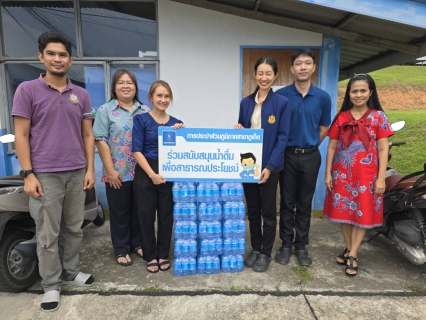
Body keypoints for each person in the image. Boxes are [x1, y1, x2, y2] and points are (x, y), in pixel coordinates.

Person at [12, 31, 95, 312]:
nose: (57, 59)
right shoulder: (27, 90)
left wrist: (89, 169)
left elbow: (87, 135)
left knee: (74, 228)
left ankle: (70, 272)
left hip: (76, 171)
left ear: (70, 60)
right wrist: (28, 173)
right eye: (51, 54)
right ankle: (51, 284)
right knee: (48, 234)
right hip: (45, 174)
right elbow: (21, 135)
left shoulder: (80, 94)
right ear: (41, 57)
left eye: (62, 55)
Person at [323, 73, 394, 276]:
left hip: (367, 176)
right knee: (345, 213)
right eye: (354, 91)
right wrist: (328, 173)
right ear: (349, 93)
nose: (358, 94)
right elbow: (331, 147)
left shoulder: (379, 117)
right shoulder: (341, 117)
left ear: (370, 92)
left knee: (362, 213)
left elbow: (383, 150)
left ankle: (353, 253)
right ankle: (348, 248)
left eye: (363, 90)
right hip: (342, 174)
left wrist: (381, 178)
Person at [275, 49, 332, 267]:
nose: (303, 67)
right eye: (299, 64)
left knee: (304, 203)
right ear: (292, 69)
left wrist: (309, 145)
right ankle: (286, 245)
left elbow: (324, 127)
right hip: (287, 156)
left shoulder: (323, 97)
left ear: (313, 68)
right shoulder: (281, 96)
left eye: (307, 63)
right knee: (287, 203)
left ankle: (301, 246)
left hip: (310, 156)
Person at [234, 57, 291, 272]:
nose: (264, 77)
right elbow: (243, 132)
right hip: (249, 166)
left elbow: (283, 138)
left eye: (268, 73)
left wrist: (269, 167)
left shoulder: (282, 103)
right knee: (253, 210)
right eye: (260, 73)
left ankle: (266, 252)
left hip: (269, 166)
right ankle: (256, 248)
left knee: (268, 211)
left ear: (275, 76)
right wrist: (238, 129)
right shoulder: (246, 102)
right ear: (255, 75)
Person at [93, 69, 150, 266]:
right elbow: (101, 141)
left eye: (130, 83)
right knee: (119, 213)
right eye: (121, 82)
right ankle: (121, 248)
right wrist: (110, 171)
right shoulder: (105, 110)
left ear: (136, 87)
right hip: (117, 172)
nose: (126, 86)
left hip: (142, 172)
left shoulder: (145, 110)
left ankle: (137, 243)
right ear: (114, 87)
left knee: (138, 211)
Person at [132, 80, 184, 273]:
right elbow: (136, 150)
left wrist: (185, 135)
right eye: (159, 96)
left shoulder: (176, 123)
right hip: (147, 171)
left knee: (166, 216)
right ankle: (150, 256)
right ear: (151, 97)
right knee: (145, 216)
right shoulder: (141, 120)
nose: (163, 100)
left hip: (169, 172)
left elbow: (183, 151)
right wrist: (152, 174)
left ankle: (163, 254)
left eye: (167, 96)